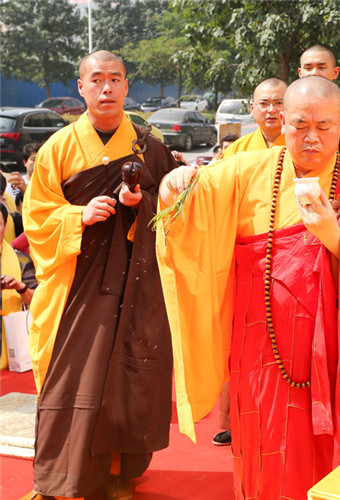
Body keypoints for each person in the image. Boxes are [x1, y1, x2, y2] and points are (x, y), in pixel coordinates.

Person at [155, 76, 340, 500]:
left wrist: (336, 236)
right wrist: (177, 185)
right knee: (265, 454)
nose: (311, 138)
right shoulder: (246, 172)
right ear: (281, 121)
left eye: (323, 127)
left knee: (327, 457)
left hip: (336, 356)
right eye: (299, 126)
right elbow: (193, 202)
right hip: (263, 354)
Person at [22, 50, 175, 500]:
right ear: (82, 86)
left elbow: (177, 209)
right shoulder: (58, 147)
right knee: (73, 376)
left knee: (127, 376)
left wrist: (140, 205)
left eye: (115, 79)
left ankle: (118, 472)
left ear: (127, 86)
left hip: (135, 284)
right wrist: (77, 216)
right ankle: (63, 480)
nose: (106, 88)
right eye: (97, 80)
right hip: (78, 286)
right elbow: (35, 218)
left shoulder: (150, 145)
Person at [0, 203, 37, 370]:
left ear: (5, 226)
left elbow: (37, 302)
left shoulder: (21, 259)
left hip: (13, 353)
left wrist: (20, 287)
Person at [222, 78, 287, 158]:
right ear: (252, 108)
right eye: (264, 103)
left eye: (279, 103)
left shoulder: (301, 147)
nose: (271, 110)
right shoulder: (236, 149)